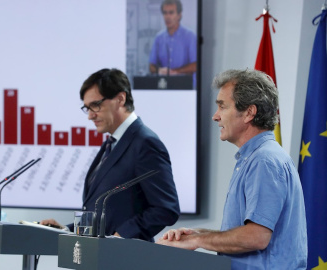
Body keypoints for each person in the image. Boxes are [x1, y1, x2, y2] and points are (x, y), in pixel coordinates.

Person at [156, 69, 307, 269]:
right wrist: (198, 234)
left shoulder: (264, 161)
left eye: (222, 107)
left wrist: (198, 242)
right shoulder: (255, 157)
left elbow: (256, 237)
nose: (215, 116)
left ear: (249, 113)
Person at [41, 68, 180, 241]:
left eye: (96, 105)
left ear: (120, 99)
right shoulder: (111, 143)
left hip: (125, 258)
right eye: (87, 108)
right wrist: (66, 230)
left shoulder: (145, 143)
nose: (90, 116)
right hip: (98, 257)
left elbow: (166, 209)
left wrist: (122, 235)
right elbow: (105, 214)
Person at [149, 0, 197, 76]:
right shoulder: (159, 38)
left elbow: (195, 65)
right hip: (164, 85)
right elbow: (151, 66)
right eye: (165, 13)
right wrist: (159, 70)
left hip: (185, 85)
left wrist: (174, 71)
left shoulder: (190, 36)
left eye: (171, 13)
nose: (167, 17)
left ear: (179, 15)